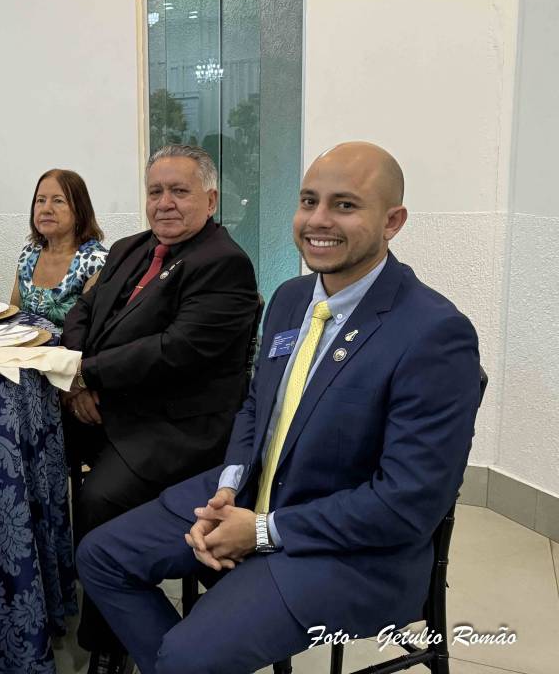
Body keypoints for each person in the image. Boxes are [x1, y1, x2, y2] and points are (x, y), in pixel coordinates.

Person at [76, 142, 482, 674]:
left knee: (185, 657)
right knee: (100, 557)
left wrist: (263, 530)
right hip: (251, 492)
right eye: (309, 201)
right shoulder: (291, 298)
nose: (318, 220)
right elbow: (256, 407)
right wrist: (229, 485)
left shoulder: (434, 333)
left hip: (351, 550)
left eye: (344, 205)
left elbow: (406, 504)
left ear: (393, 221)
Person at [60, 144, 259, 674]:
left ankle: (109, 643)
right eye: (155, 191)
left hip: (174, 427)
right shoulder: (131, 247)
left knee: (99, 498)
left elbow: (176, 351)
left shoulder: (224, 263)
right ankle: (41, 595)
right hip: (105, 404)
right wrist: (78, 379)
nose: (164, 203)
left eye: (179, 191)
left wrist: (89, 375)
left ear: (210, 200)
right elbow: (82, 312)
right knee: (25, 453)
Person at [9, 169, 108, 327]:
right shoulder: (29, 253)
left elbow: (91, 331)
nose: (46, 209)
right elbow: (12, 316)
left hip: (71, 344)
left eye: (58, 201)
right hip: (21, 342)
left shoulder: (96, 262)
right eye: (40, 200)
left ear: (79, 211)